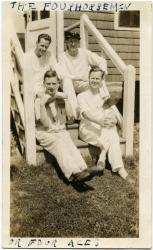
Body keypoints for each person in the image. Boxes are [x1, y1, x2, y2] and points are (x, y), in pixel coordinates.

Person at [34, 69, 99, 184]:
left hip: (59, 130)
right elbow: (45, 124)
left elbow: (70, 117)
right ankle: (74, 173)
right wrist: (43, 105)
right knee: (59, 144)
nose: (51, 86)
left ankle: (83, 169)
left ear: (58, 84)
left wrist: (66, 99)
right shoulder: (39, 100)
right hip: (45, 132)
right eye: (48, 84)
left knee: (68, 142)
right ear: (44, 84)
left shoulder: (60, 96)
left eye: (54, 83)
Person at [77, 66, 131, 182]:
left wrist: (113, 121)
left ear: (102, 81)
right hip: (87, 128)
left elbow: (110, 113)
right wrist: (101, 121)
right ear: (88, 78)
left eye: (97, 79)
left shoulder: (104, 97)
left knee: (110, 130)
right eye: (92, 78)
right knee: (111, 133)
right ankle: (118, 167)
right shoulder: (81, 96)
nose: (94, 81)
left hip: (102, 128)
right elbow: (85, 114)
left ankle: (103, 163)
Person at [58, 31, 109, 120]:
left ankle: (105, 105)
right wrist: (80, 77)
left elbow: (101, 61)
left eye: (75, 41)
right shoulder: (62, 56)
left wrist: (103, 72)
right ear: (66, 42)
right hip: (70, 84)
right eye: (70, 41)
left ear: (78, 43)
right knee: (66, 80)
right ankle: (75, 114)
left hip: (83, 83)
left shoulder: (84, 53)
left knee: (99, 79)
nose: (73, 44)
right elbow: (62, 75)